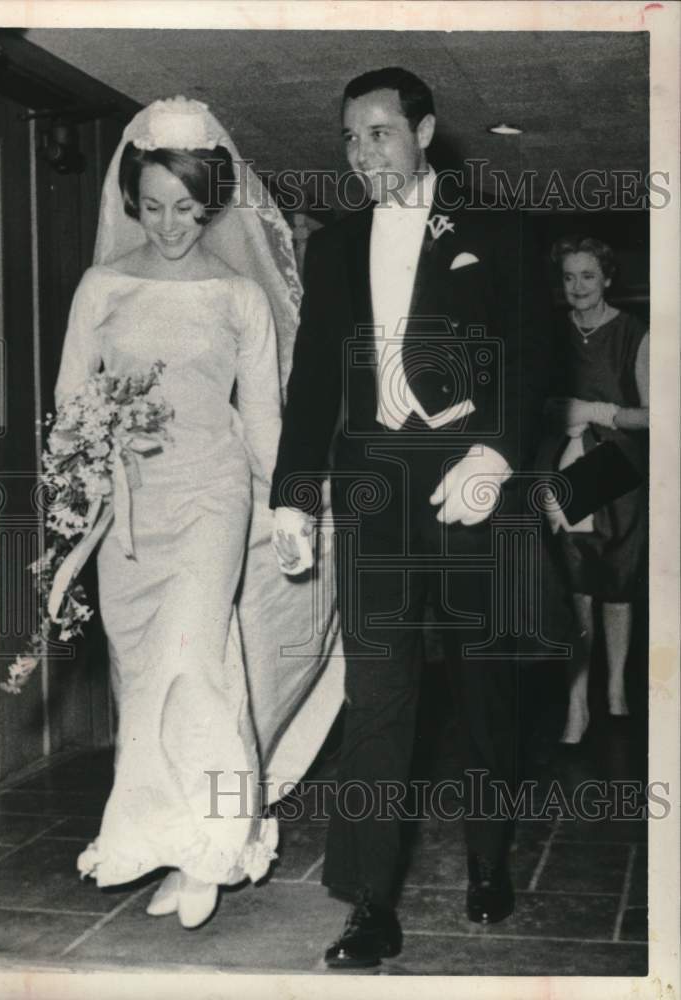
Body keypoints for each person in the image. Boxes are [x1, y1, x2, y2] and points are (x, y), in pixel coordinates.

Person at [270, 67, 552, 968]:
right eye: (351, 138)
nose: (363, 154)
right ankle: (369, 903)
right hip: (374, 496)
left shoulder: (496, 230)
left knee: (486, 689)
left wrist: (496, 454)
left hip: (473, 486)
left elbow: (532, 357)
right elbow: (315, 377)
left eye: (380, 133)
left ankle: (488, 856)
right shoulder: (335, 247)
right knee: (378, 697)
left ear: (424, 134)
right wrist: (293, 494)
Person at [55, 97, 342, 930]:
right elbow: (71, 405)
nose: (169, 224)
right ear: (131, 201)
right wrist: (78, 484)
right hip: (129, 510)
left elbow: (263, 421)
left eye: (186, 207)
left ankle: (205, 851)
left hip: (214, 497)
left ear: (212, 202)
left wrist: (293, 506)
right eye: (152, 207)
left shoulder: (238, 296)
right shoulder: (102, 287)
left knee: (192, 661)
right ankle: (168, 836)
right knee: (144, 677)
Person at [543, 235, 649, 745]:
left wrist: (600, 411)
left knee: (618, 581)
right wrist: (559, 412)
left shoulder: (633, 332)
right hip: (567, 464)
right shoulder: (549, 332)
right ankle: (577, 702)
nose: (578, 286)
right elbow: (529, 400)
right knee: (577, 582)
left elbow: (655, 414)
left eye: (588, 275)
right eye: (569, 277)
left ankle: (617, 686)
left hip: (620, 465)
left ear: (607, 278)